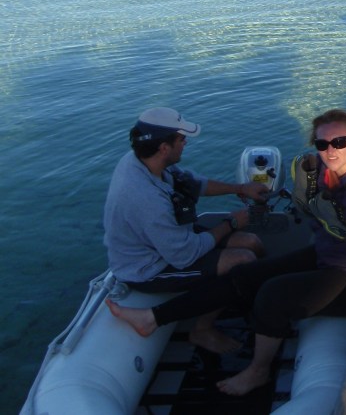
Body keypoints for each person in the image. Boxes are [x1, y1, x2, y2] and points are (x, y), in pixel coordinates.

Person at [107, 108, 346, 395]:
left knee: (271, 296)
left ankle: (258, 371)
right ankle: (153, 318)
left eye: (339, 142)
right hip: (331, 254)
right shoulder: (324, 169)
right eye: (322, 144)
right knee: (244, 274)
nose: (330, 150)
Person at [104, 106, 269, 353]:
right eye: (182, 139)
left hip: (168, 241)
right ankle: (201, 330)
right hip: (147, 267)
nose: (185, 143)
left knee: (252, 242)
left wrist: (240, 188)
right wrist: (231, 224)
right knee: (242, 260)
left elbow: (191, 183)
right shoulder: (145, 198)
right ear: (164, 148)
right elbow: (185, 255)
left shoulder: (146, 161)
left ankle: (251, 296)